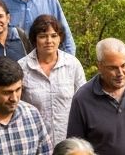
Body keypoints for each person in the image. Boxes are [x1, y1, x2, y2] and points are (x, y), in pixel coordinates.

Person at [19, 15, 86, 144]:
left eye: (54, 35)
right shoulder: (22, 68)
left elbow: (84, 102)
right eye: (43, 36)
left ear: (60, 38)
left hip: (70, 141)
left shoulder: (72, 65)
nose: (49, 40)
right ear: (35, 39)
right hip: (34, 141)